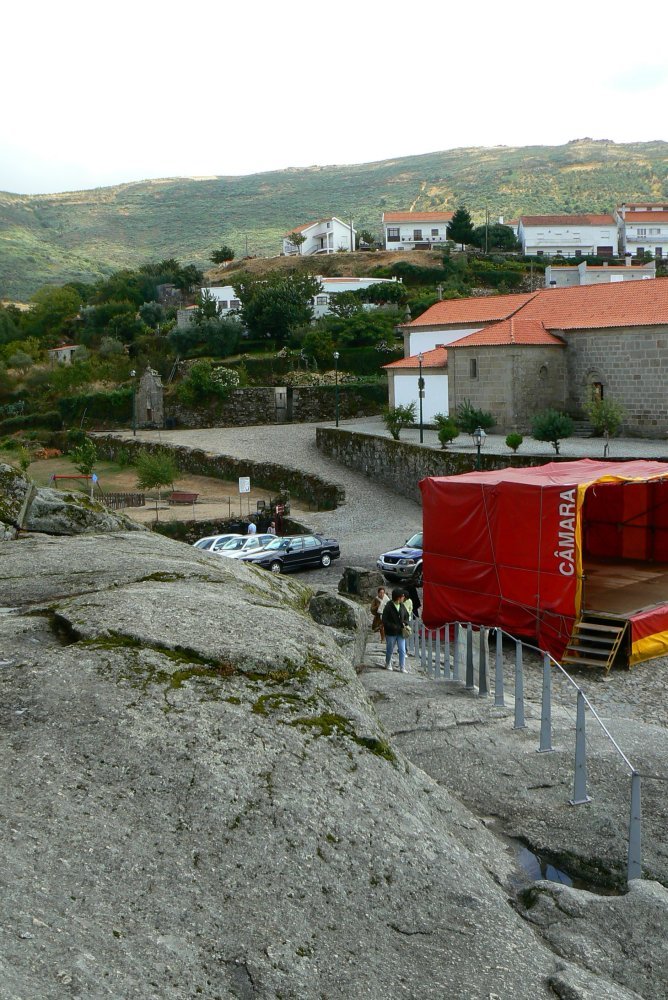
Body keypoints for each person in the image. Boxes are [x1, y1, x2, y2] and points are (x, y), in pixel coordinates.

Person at [382, 588, 409, 672]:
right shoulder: (388, 606)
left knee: (402, 649)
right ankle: (388, 663)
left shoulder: (402, 606)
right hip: (391, 632)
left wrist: (405, 623)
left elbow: (406, 616)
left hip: (400, 632)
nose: (404, 598)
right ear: (398, 597)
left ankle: (402, 666)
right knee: (390, 649)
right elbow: (384, 620)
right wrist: (393, 626)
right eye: (402, 596)